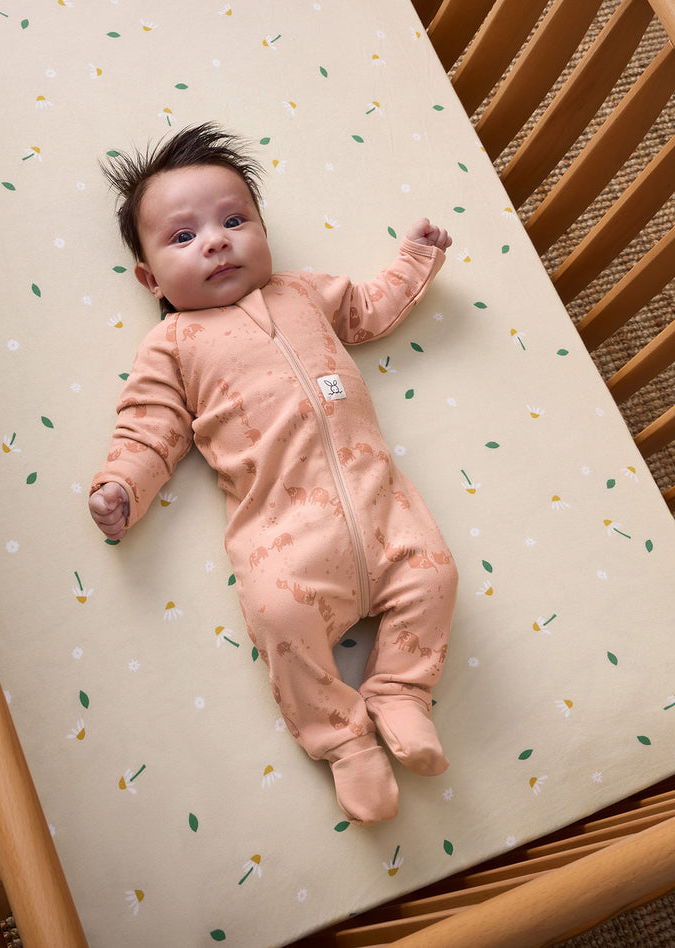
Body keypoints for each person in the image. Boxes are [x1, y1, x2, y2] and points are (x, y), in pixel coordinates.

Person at [90, 123, 458, 826]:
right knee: (279, 619)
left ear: (263, 230)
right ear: (149, 278)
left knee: (435, 576)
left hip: (383, 506)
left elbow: (370, 306)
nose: (217, 241)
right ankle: (344, 741)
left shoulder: (303, 292)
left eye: (234, 221)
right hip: (282, 533)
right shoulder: (172, 344)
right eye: (183, 236)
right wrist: (122, 486)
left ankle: (401, 693)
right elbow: (149, 427)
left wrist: (416, 258)